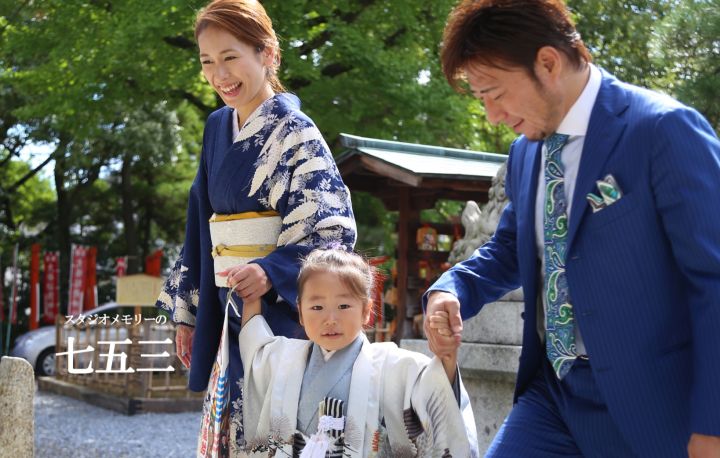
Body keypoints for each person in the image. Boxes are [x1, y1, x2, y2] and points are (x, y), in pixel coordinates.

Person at [423, 0, 720, 456]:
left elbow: (713, 280)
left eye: (495, 94)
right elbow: (510, 249)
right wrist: (452, 288)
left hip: (658, 408)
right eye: (482, 99)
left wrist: (713, 423)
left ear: (548, 63)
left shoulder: (662, 130)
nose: (492, 116)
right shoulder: (524, 152)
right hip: (553, 397)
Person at [155, 0, 356, 455]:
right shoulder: (216, 128)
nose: (219, 74)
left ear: (268, 54)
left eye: (230, 57)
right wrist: (188, 312)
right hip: (224, 307)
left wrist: (272, 270)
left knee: (275, 433)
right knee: (230, 434)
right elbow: (200, 222)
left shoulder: (297, 131)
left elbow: (331, 229)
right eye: (207, 61)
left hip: (279, 314)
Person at [238, 249, 478, 457]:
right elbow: (256, 349)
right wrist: (251, 297)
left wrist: (446, 358)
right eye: (317, 307)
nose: (330, 319)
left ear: (366, 311)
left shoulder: (389, 365)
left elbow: (433, 388)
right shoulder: (286, 358)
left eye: (343, 306)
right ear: (300, 312)